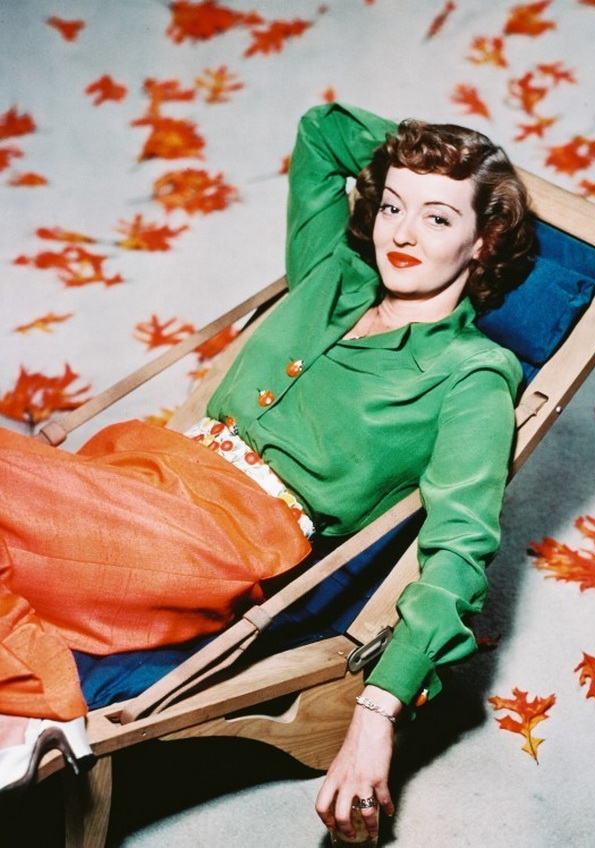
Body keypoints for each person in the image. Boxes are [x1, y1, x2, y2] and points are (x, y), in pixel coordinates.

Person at [0, 102, 533, 839]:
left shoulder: (470, 374)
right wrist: (425, 159)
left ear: (487, 239)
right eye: (392, 207)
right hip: (136, 471)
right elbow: (321, 130)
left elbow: (458, 551)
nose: (403, 234)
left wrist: (378, 712)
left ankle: (26, 695)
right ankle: (23, 701)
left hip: (212, 540)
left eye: (438, 219)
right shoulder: (331, 270)